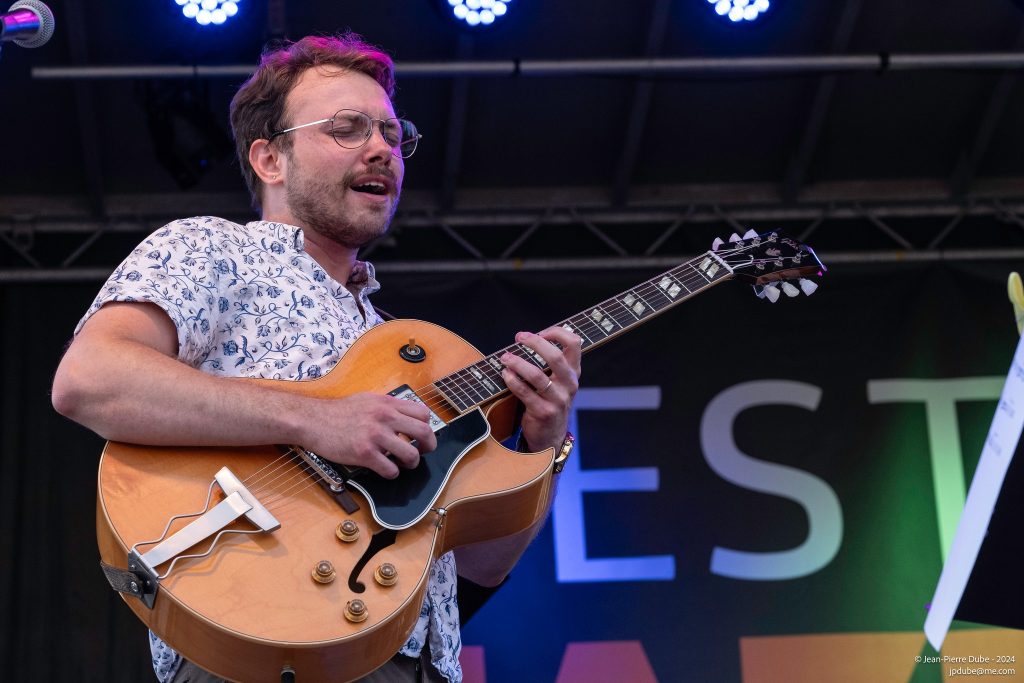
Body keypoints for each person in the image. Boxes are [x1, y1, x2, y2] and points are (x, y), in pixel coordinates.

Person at [51, 33, 581, 683]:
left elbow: (480, 565)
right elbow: (89, 378)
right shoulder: (212, 249)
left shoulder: (392, 341)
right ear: (270, 158)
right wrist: (316, 418)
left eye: (392, 133)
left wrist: (543, 441)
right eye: (348, 128)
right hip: (256, 644)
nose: (381, 148)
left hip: (413, 662)